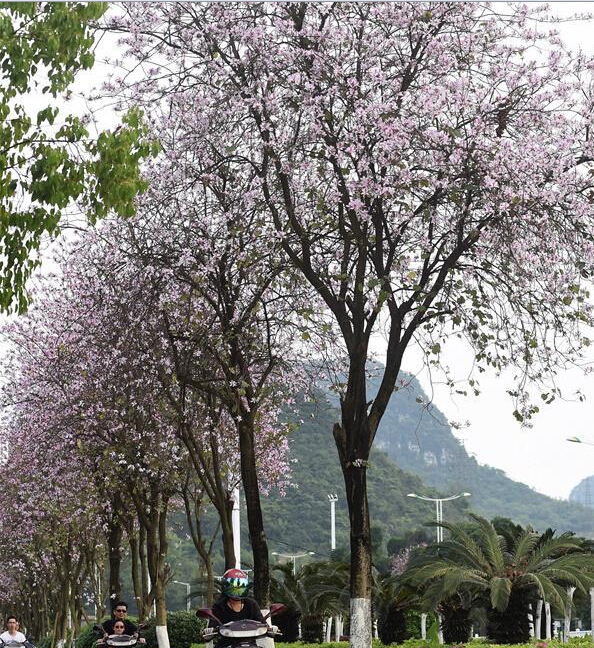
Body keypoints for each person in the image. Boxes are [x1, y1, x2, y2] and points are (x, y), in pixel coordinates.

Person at [208, 568, 265, 633]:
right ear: (225, 586)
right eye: (233, 585)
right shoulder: (219, 606)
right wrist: (210, 630)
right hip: (226, 639)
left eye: (242, 585)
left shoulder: (251, 604)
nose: (238, 588)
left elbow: (262, 623)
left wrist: (271, 628)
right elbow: (212, 625)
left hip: (250, 638)